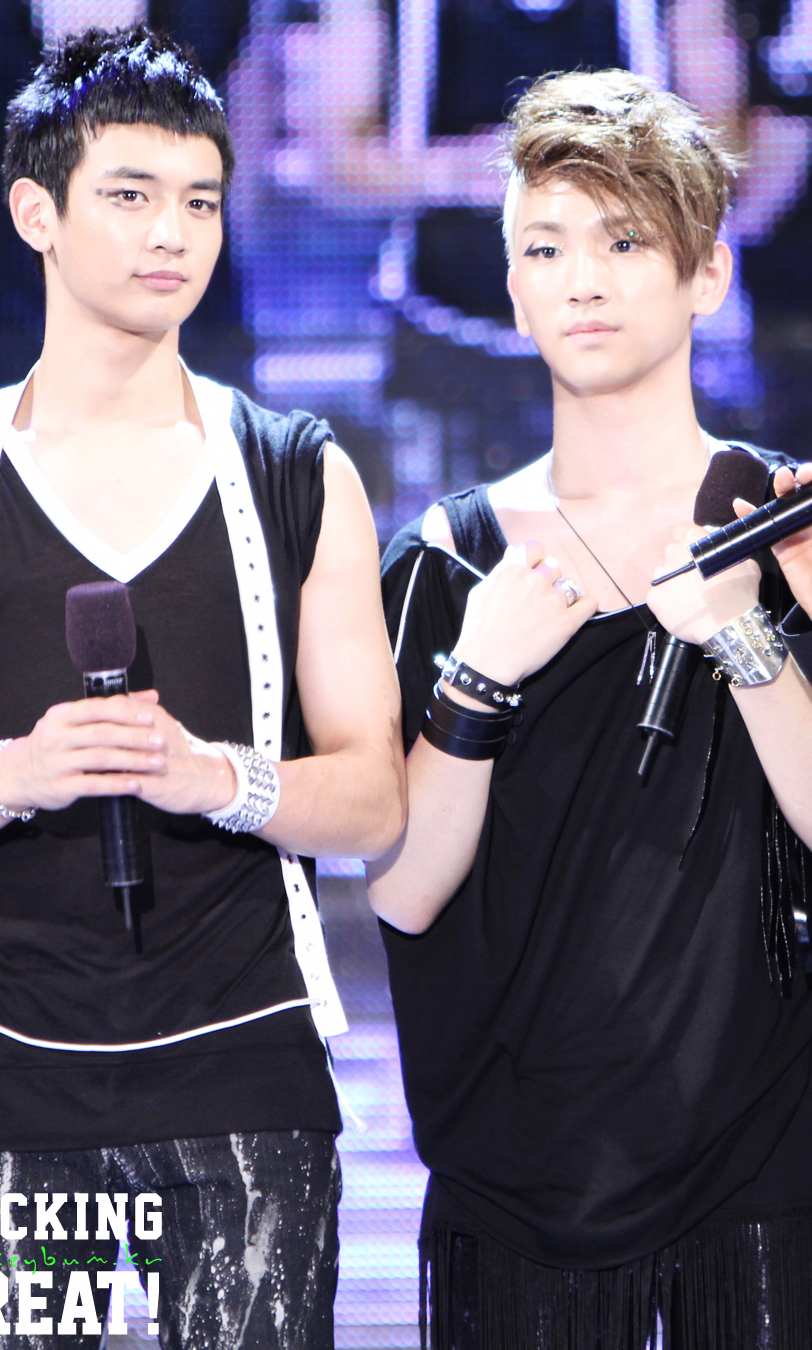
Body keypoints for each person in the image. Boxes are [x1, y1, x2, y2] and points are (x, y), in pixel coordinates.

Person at [0, 25, 405, 1350]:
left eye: (200, 200)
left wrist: (217, 778)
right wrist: (13, 775)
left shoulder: (298, 470)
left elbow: (374, 799)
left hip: (244, 1062)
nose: (172, 233)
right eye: (130, 195)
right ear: (37, 213)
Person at [369, 69, 812, 1349]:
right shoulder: (446, 563)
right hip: (519, 1182)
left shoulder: (786, 529)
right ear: (512, 288)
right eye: (547, 248)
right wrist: (476, 681)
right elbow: (403, 892)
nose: (584, 281)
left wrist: (742, 632)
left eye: (625, 243)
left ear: (706, 273)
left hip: (763, 1179)